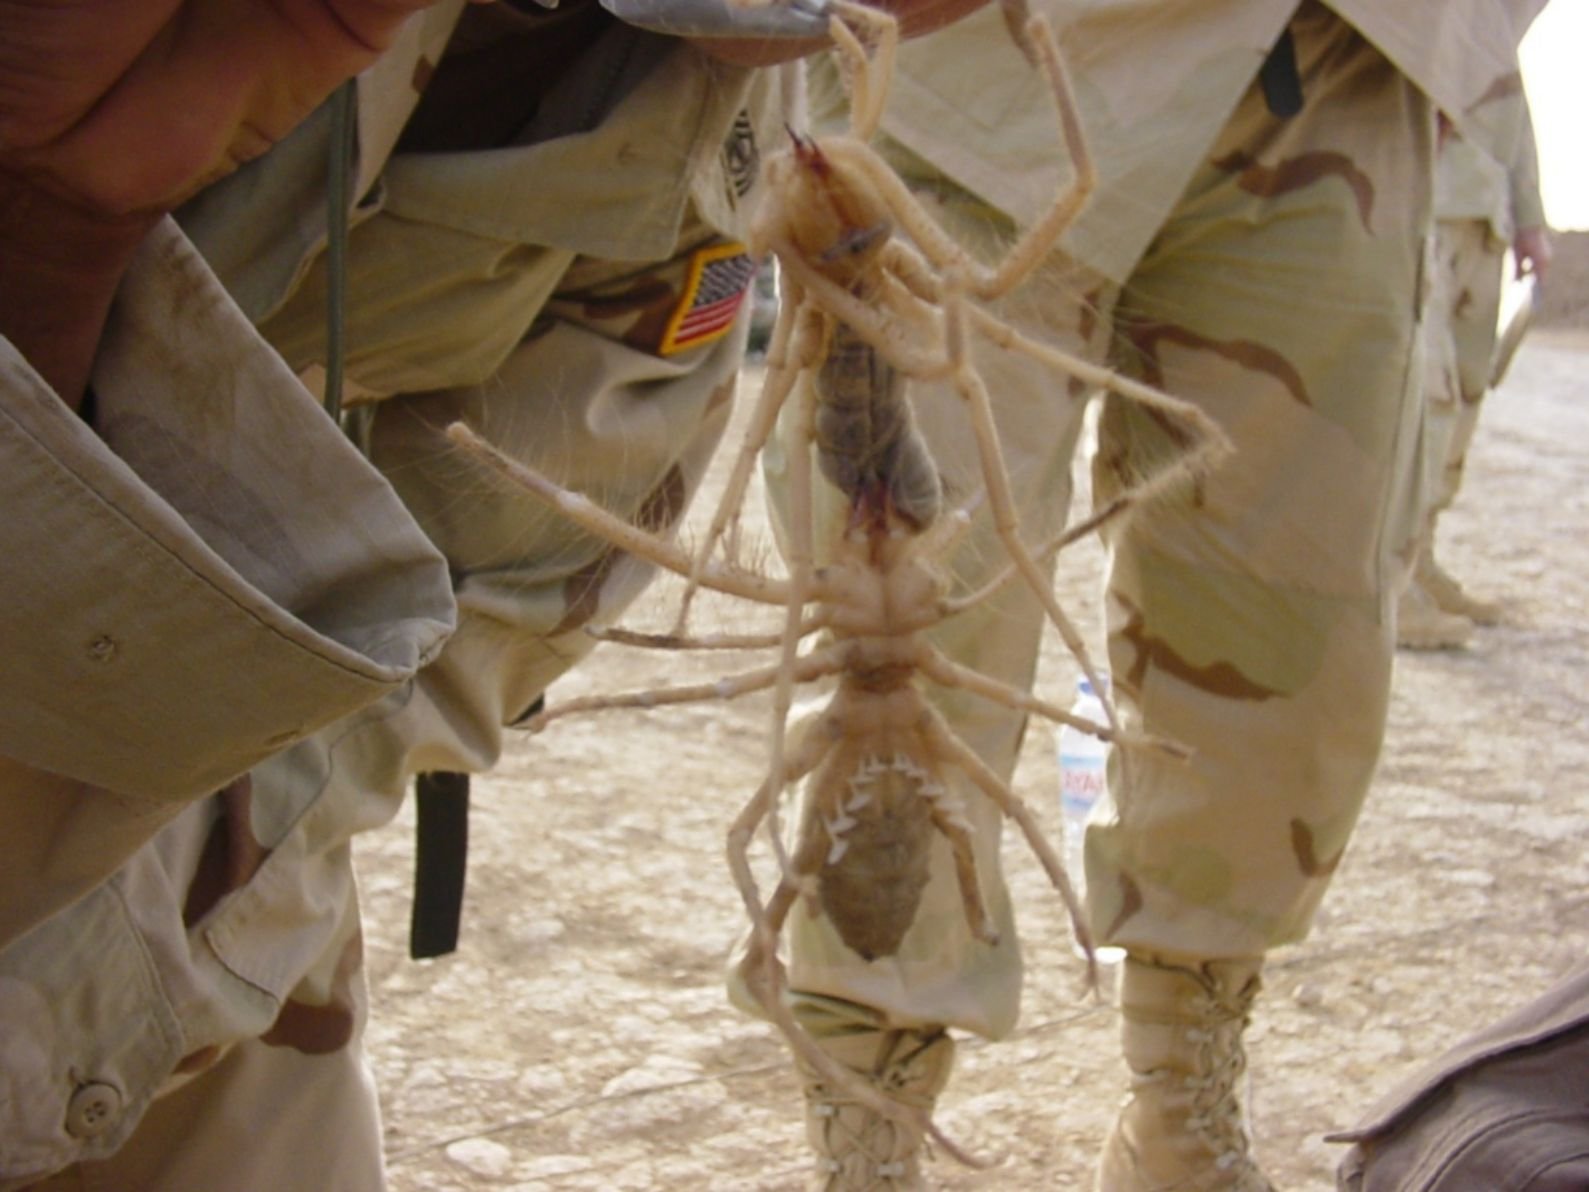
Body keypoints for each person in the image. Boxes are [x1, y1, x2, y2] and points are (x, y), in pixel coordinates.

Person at [0, 0, 981, 1187]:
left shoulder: (710, 147)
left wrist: (118, 971)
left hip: (201, 773)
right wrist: (58, 228)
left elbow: (482, 609)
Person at [753, 1, 1550, 1188]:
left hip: (1338, 56)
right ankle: (867, 1118)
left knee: (1291, 634)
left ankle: (1180, 1099)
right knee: (907, 633)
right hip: (977, 61)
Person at [1396, 103, 1553, 650]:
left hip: (1486, 218)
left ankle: (1420, 561)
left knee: (1465, 390)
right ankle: (1392, 585)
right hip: (1421, 208)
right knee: (1426, 398)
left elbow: (1515, 111)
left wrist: (1529, 220)